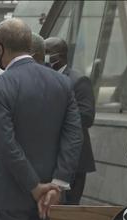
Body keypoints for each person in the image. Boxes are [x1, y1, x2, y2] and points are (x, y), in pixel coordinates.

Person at [0, 18, 83, 220]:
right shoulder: (62, 83)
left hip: (9, 194)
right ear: (30, 45)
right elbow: (74, 136)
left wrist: (34, 186)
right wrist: (57, 184)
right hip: (52, 195)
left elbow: (5, 143)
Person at [44, 37, 96, 205]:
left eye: (46, 53)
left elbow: (87, 116)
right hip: (51, 158)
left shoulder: (78, 80)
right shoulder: (44, 78)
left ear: (58, 56)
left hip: (75, 160)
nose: (43, 58)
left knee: (69, 209)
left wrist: (57, 117)